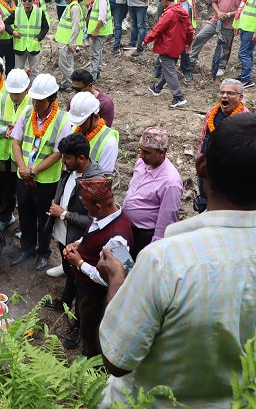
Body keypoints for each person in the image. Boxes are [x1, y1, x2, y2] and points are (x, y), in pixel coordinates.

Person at [98, 113, 256, 408]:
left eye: (147, 152)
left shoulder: (165, 263)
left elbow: (116, 360)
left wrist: (117, 279)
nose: (141, 156)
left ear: (202, 166)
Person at [41, 133, 106, 348]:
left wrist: (64, 214)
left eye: (67, 157)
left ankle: (79, 326)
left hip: (80, 241)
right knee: (70, 272)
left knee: (81, 283)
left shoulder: (95, 181)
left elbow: (95, 220)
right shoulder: (69, 170)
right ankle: (64, 302)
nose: (63, 161)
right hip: (64, 235)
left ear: (81, 158)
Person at [63, 177, 133, 358]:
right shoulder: (103, 217)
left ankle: (90, 362)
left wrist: (80, 263)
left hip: (96, 296)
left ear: (99, 207)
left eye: (87, 207)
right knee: (83, 317)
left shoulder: (117, 239)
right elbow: (93, 233)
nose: (85, 210)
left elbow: (115, 277)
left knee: (92, 333)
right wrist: (78, 243)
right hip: (85, 289)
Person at [11, 74, 70, 271]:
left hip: (46, 182)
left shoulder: (62, 120)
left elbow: (58, 153)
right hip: (23, 177)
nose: (35, 103)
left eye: (40, 100)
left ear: (52, 99)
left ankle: (43, 252)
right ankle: (27, 248)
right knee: (25, 214)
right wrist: (23, 169)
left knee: (44, 219)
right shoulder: (27, 112)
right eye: (34, 99)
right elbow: (16, 143)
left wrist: (33, 171)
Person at [120, 126, 183, 259]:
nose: (141, 155)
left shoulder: (170, 182)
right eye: (140, 150)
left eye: (147, 152)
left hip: (144, 236)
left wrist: (154, 250)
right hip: (127, 227)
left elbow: (166, 220)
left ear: (162, 152)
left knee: (137, 267)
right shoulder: (142, 163)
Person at [193, 79, 247, 213]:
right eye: (222, 92)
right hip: (207, 163)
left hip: (229, 171)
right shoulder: (212, 112)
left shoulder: (246, 120)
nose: (224, 96)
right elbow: (205, 137)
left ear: (240, 97)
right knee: (204, 195)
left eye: (230, 93)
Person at [188, 0, 246, 78]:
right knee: (200, 37)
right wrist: (219, 12)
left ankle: (220, 67)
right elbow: (213, 1)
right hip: (215, 20)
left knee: (225, 46)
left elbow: (242, 8)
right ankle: (191, 59)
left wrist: (228, 14)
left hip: (229, 24)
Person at [0, 68, 30, 231]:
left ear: (26, 89)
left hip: (22, 156)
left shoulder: (32, 103)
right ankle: (5, 216)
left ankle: (25, 225)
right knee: (4, 187)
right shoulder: (2, 99)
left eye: (18, 94)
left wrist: (18, 132)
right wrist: (5, 131)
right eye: (12, 93)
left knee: (23, 191)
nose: (14, 97)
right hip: (4, 153)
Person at [146, 0, 194, 108]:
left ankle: (178, 97)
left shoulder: (169, 13)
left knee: (170, 71)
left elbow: (158, 29)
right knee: (168, 68)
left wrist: (146, 40)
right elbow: (189, 29)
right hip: (178, 46)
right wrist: (188, 43)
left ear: (165, 0)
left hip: (166, 46)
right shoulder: (182, 11)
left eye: (161, 1)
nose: (161, 4)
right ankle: (157, 88)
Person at [68, 92, 119, 175]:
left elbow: (103, 177)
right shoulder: (75, 129)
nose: (79, 125)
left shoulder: (109, 142)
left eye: (82, 122)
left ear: (95, 117)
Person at [5, 0, 49, 78]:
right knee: (18, 71)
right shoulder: (17, 12)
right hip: (20, 46)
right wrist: (13, 32)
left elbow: (45, 27)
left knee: (34, 71)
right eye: (25, 0)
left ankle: (33, 86)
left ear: (33, 0)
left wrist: (38, 38)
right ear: (21, 1)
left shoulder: (39, 12)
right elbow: (6, 23)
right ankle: (20, 86)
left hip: (33, 45)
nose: (27, 2)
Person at [54, 0, 84, 91]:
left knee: (64, 66)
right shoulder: (71, 6)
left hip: (67, 42)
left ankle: (75, 84)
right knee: (68, 64)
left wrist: (72, 43)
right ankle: (66, 85)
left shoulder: (74, 8)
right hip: (65, 40)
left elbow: (76, 26)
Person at [85, 0, 113, 81]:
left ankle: (92, 76)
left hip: (98, 31)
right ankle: (97, 72)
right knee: (98, 52)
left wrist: (96, 30)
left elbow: (102, 17)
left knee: (95, 54)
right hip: (97, 30)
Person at [234, 0, 256, 88]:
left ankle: (247, 79)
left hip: (251, 29)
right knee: (248, 53)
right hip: (245, 27)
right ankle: (245, 75)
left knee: (243, 53)